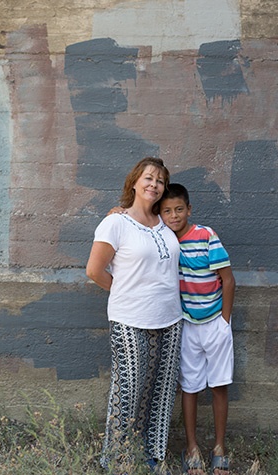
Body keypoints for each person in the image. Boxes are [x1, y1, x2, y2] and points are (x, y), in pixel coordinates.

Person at [86, 157, 183, 474]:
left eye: (160, 180)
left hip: (169, 319)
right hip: (130, 319)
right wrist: (126, 291)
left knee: (160, 391)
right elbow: (94, 271)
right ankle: (114, 461)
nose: (154, 184)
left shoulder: (165, 223)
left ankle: (151, 458)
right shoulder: (116, 222)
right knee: (128, 390)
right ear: (134, 182)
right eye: (149, 178)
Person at [159, 183, 235, 475]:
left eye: (179, 209)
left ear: (189, 210)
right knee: (189, 387)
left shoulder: (205, 236)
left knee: (219, 385)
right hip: (187, 326)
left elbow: (228, 279)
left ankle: (219, 447)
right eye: (167, 211)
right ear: (160, 214)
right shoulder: (163, 239)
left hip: (215, 322)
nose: (174, 216)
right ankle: (191, 448)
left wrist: (224, 322)